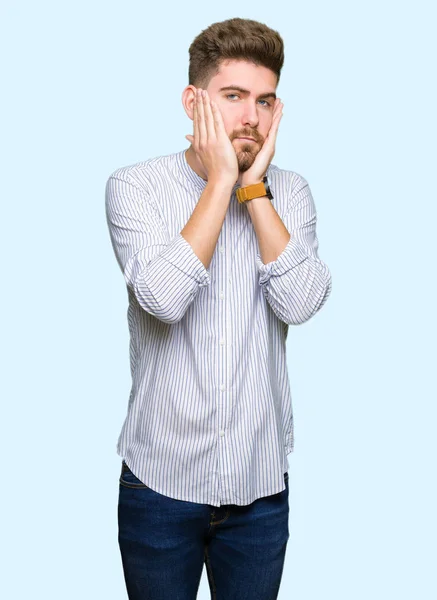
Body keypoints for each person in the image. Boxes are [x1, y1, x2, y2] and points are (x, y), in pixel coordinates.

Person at [105, 16, 332, 600]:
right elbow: (163, 300)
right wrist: (219, 183)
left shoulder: (292, 192)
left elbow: (302, 300)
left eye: (264, 100)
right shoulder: (135, 187)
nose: (250, 117)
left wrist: (251, 189)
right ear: (193, 101)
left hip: (259, 490)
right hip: (159, 486)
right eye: (232, 97)